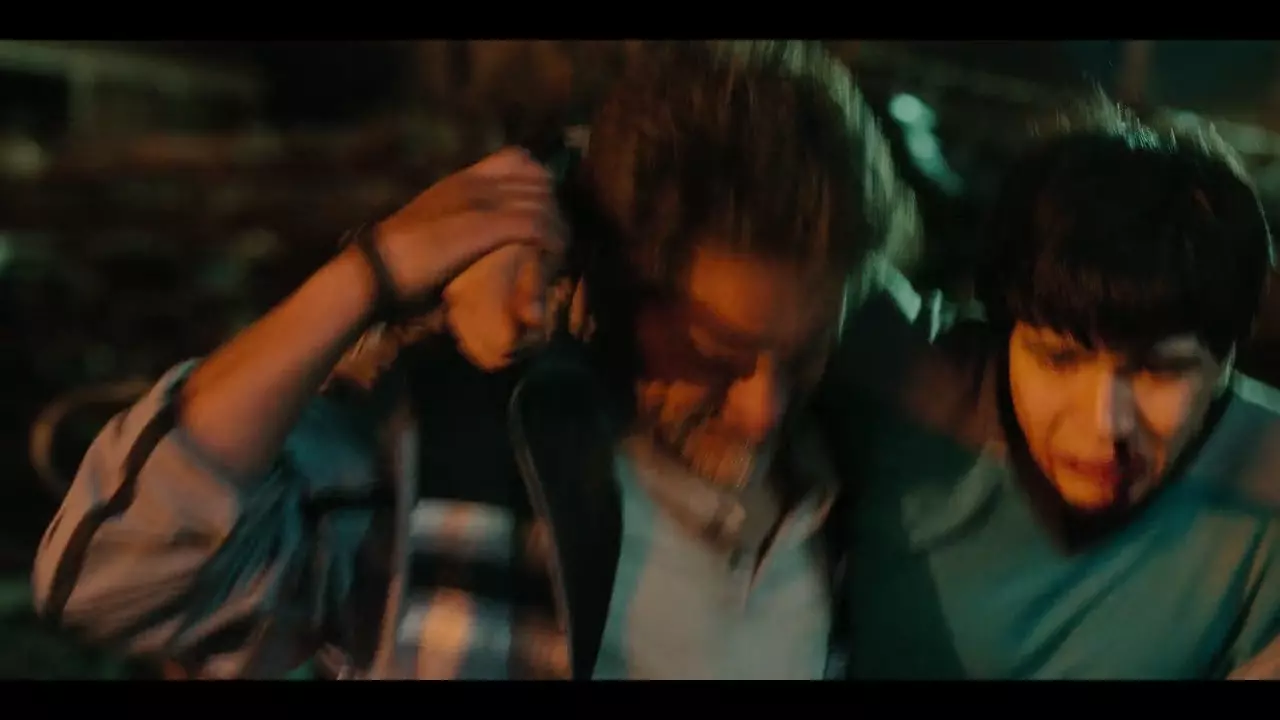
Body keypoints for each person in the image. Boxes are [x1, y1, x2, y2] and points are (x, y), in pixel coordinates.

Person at [31, 40, 918, 679]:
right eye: (714, 355)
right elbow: (115, 575)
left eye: (806, 357)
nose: (764, 412)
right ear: (613, 283)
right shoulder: (445, 454)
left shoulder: (858, 493)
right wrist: (369, 275)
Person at [822, 98, 1280, 679]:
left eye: (1161, 371)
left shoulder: (1264, 492)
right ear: (1004, 328)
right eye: (1058, 359)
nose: (1105, 422)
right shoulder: (895, 382)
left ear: (1226, 362)